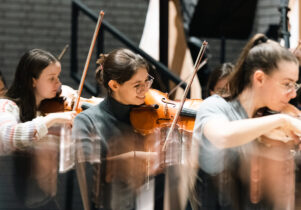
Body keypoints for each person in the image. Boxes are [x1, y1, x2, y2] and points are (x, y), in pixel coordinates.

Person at [193, 34, 301, 210]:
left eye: (295, 85)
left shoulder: (266, 115)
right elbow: (223, 136)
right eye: (287, 84)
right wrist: (283, 120)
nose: (293, 94)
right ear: (259, 78)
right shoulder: (215, 106)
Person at [73, 48, 162, 210]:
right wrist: (130, 158)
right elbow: (85, 176)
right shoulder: (86, 122)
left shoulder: (148, 119)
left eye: (146, 81)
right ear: (114, 85)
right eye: (137, 85)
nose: (145, 90)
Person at [0, 49, 77, 208]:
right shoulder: (7, 106)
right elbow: (10, 136)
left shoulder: (51, 106)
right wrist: (52, 119)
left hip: (49, 199)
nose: (59, 84)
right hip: (15, 201)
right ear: (33, 81)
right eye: (51, 78)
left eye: (58, 77)